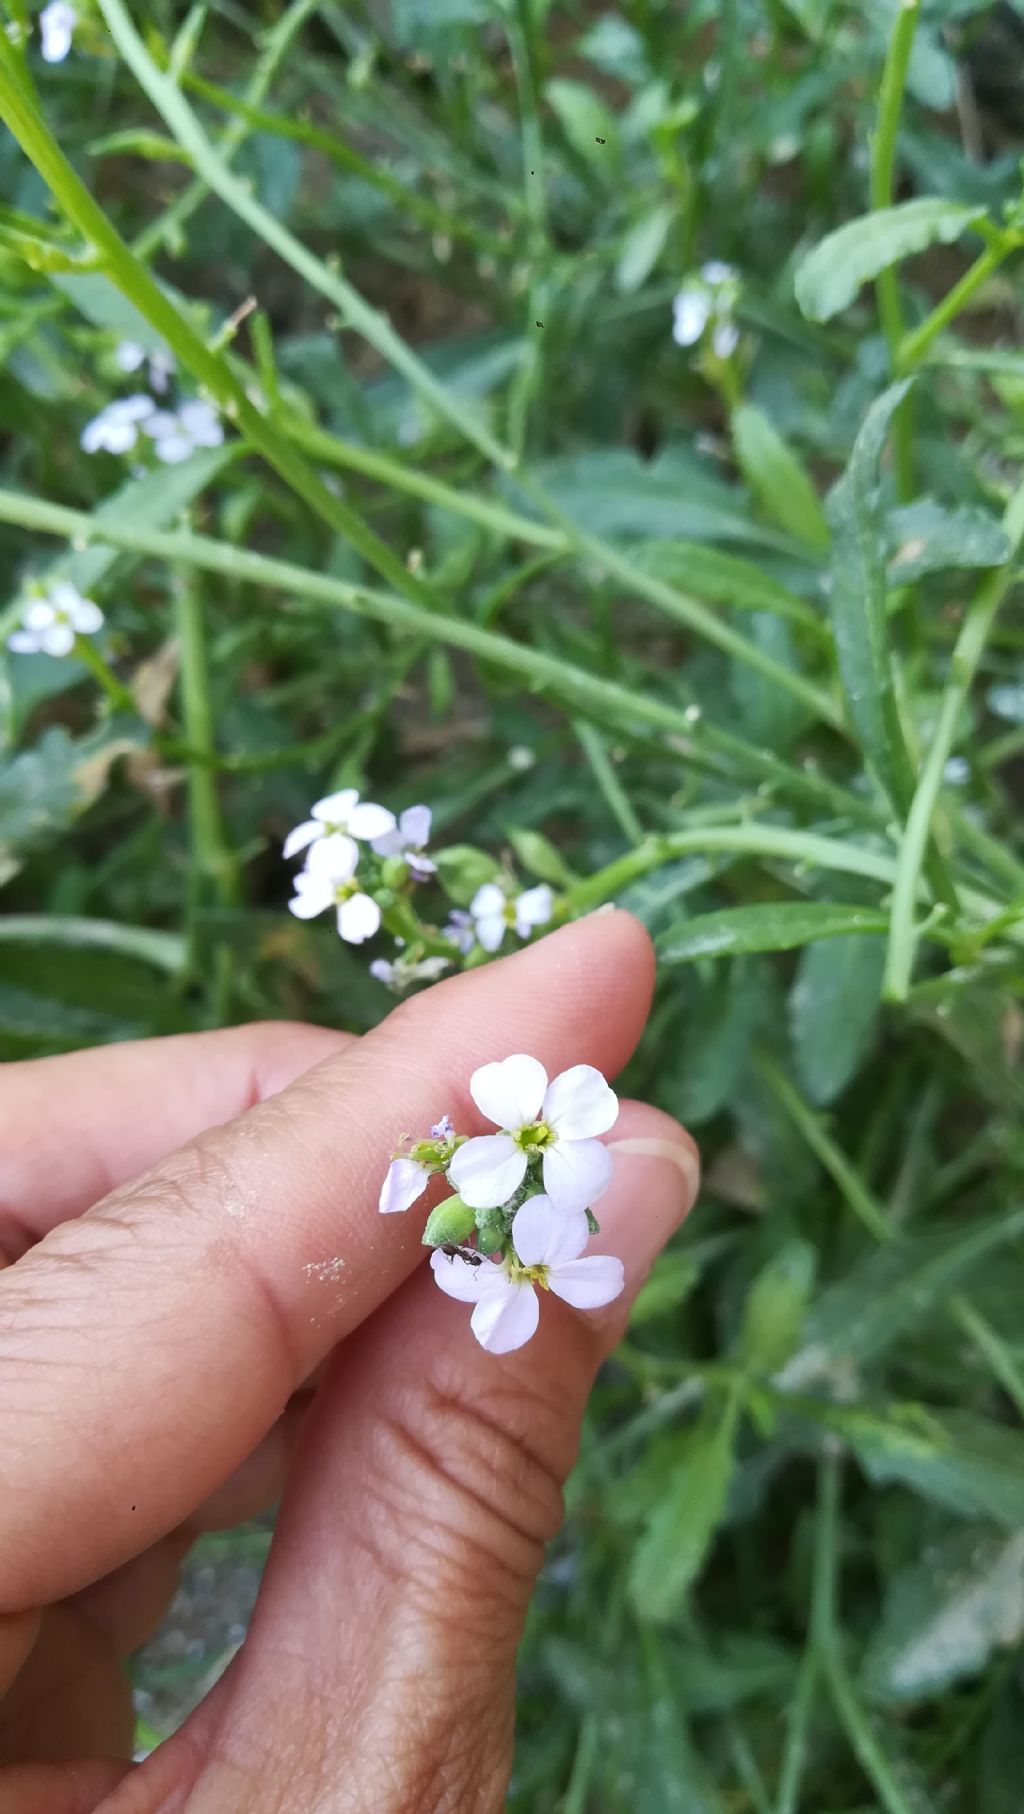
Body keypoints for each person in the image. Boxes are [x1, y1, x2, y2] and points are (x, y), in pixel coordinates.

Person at [0, 912, 698, 1813]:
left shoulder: (502, 1170)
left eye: (533, 1142)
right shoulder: (490, 1183)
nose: (531, 1144)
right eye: (528, 1141)